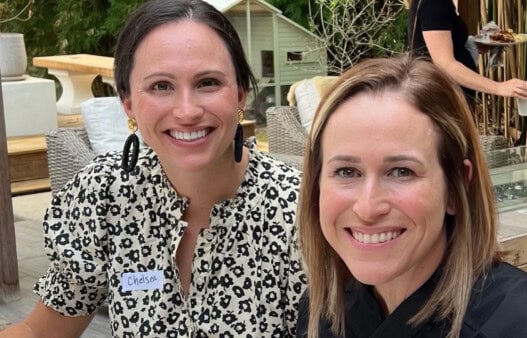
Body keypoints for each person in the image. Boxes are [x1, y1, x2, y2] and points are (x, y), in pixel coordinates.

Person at [0, 0, 305, 337]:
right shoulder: (104, 194)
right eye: (161, 86)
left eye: (207, 83)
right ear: (128, 103)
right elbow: (41, 331)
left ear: (240, 95)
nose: (187, 111)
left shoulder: (298, 210)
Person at [295, 55, 527, 338]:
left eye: (401, 172)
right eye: (346, 172)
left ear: (456, 188)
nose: (368, 207)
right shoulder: (322, 312)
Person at [408, 0, 527, 105]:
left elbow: (441, 44)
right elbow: (444, 64)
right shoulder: (434, 3)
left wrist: (474, 45)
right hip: (441, 103)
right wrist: (498, 87)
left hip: (447, 99)